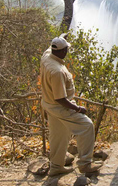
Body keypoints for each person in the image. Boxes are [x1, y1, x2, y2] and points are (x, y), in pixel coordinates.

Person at [40, 34, 102, 177]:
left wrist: (62, 37)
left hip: (48, 104)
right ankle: (85, 164)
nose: (67, 51)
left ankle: (56, 166)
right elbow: (60, 98)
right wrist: (78, 108)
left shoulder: (47, 56)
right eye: (66, 49)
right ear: (62, 52)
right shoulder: (57, 71)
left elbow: (51, 46)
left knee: (59, 135)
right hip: (60, 108)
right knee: (86, 126)